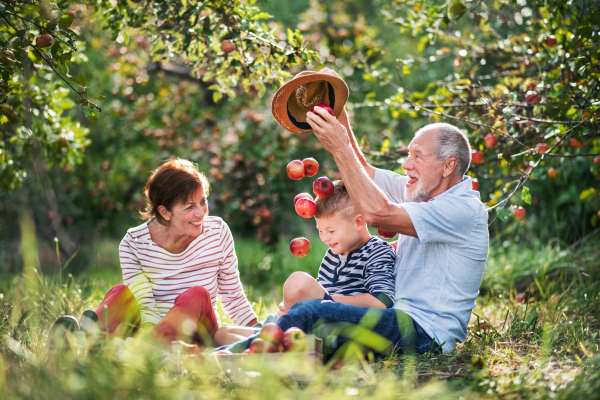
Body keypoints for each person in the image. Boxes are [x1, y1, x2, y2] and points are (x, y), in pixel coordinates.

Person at [225, 69, 489, 357]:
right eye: (408, 154)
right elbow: (362, 174)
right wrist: (337, 110)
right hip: (396, 321)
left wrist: (339, 146)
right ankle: (251, 348)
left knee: (313, 313)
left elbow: (377, 213)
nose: (406, 165)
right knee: (308, 324)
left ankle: (232, 356)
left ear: (448, 166)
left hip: (422, 333)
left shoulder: (462, 210)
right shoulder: (420, 192)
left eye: (418, 156)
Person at [50, 159, 257, 351]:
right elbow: (144, 305)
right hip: (151, 333)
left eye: (203, 201)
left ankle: (130, 352)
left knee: (198, 294)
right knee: (121, 292)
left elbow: (233, 297)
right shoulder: (134, 243)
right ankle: (83, 344)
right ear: (165, 212)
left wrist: (264, 334)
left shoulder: (218, 232)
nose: (201, 213)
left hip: (199, 335)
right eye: (190, 207)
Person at [213, 180, 396, 346]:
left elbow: (382, 302)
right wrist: (293, 308)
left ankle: (268, 346)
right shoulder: (333, 255)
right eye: (320, 230)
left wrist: (323, 302)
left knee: (298, 282)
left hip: (330, 324)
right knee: (222, 334)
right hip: (300, 321)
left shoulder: (378, 251)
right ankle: (270, 345)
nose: (324, 237)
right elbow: (321, 289)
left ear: (358, 222)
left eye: (331, 231)